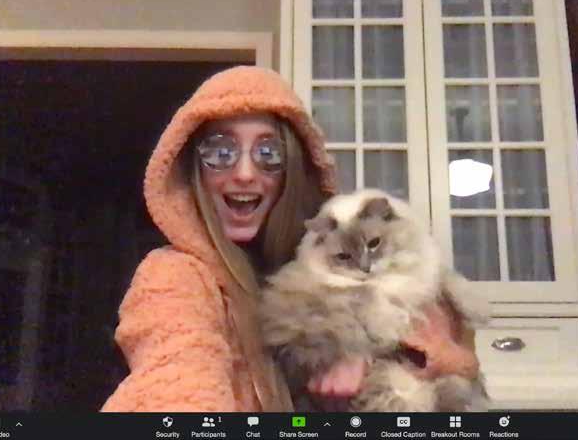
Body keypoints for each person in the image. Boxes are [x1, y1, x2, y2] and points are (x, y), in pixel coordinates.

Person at [101, 66, 482, 412]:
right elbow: (173, 383)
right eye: (221, 152)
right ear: (194, 171)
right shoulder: (174, 278)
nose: (245, 173)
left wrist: (442, 359)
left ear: (293, 169)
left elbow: (452, 354)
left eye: (268, 153)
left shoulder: (310, 259)